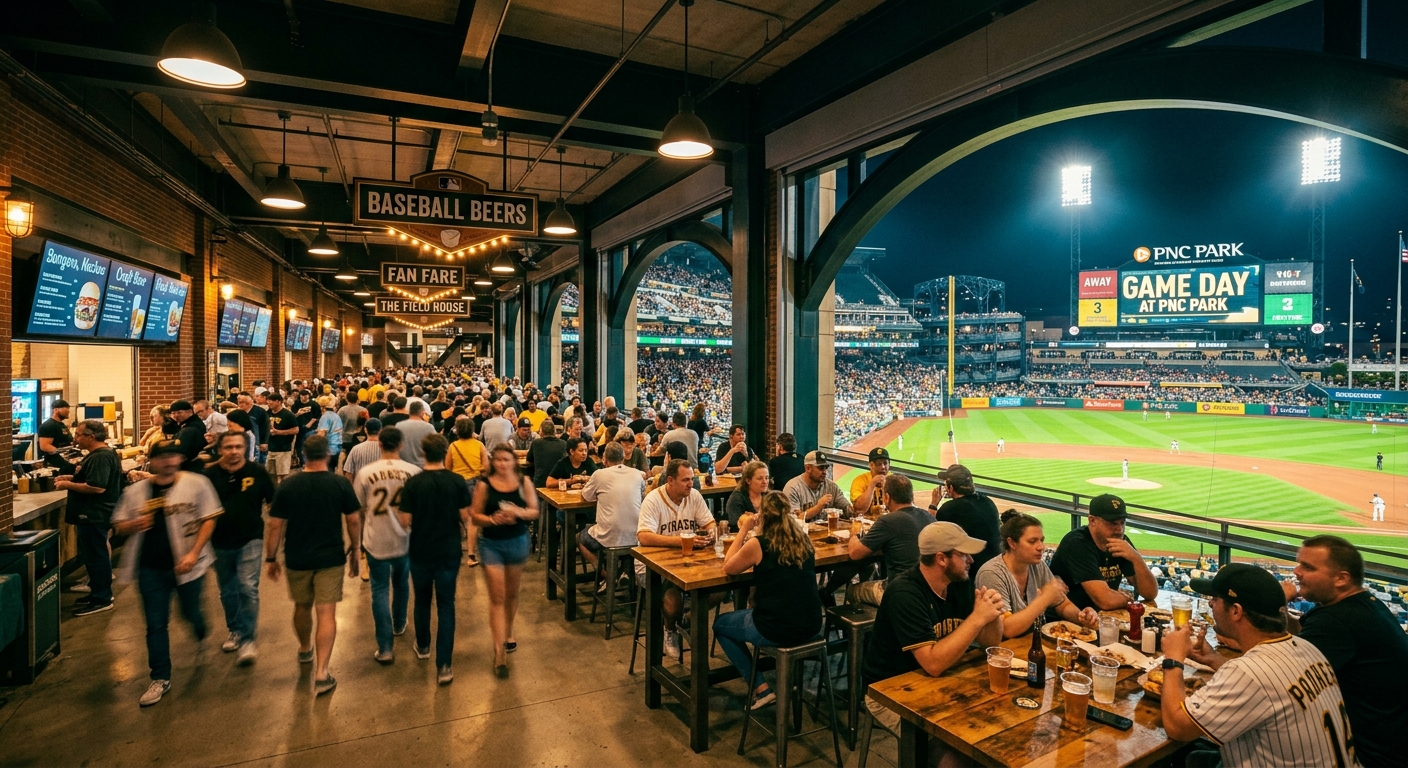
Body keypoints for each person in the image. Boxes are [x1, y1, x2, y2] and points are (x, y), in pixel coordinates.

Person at [1160, 564, 1354, 768]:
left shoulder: (1248, 673)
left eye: (1215, 599)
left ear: (1236, 611)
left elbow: (1177, 728)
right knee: (1195, 757)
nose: (1210, 603)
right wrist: (1213, 659)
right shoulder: (1308, 647)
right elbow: (1269, 685)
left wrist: (1173, 658)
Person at [860, 522, 1005, 734]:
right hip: (890, 692)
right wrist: (977, 618)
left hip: (941, 681)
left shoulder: (960, 583)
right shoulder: (905, 593)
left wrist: (991, 615)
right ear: (941, 559)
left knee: (993, 722)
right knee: (955, 738)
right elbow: (933, 665)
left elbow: (990, 643)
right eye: (963, 554)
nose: (971, 560)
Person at [110, 439, 223, 707]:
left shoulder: (197, 483)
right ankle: (160, 676)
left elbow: (209, 518)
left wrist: (194, 553)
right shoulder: (136, 492)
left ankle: (200, 628)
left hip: (188, 565)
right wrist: (134, 524)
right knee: (155, 624)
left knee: (190, 612)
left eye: (174, 456)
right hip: (150, 568)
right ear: (152, 461)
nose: (170, 461)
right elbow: (119, 525)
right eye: (163, 457)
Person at [1286, 535, 1408, 767]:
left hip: (1369, 758)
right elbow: (1301, 635)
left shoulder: (1338, 621)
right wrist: (1280, 610)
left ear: (1341, 579)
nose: (1296, 571)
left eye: (1308, 567)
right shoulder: (1363, 604)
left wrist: (1273, 602)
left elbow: (1274, 676)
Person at [264, 435, 362, 696]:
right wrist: (355, 549)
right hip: (330, 556)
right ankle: (322, 673)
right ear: (328, 455)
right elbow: (353, 519)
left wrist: (271, 558)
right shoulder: (339, 483)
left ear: (304, 455)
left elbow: (275, 524)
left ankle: (305, 647)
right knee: (326, 612)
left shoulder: (288, 485)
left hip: (297, 556)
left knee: (302, 605)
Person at [715, 490, 824, 711]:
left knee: (720, 625)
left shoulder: (759, 543)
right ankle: (788, 678)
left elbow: (729, 567)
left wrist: (744, 529)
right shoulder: (803, 540)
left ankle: (761, 688)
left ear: (763, 515)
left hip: (776, 628)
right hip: (812, 624)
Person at [397, 434, 471, 684]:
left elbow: (404, 520)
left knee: (422, 599)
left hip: (420, 549)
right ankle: (445, 666)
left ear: (423, 453)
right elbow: (466, 516)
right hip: (448, 550)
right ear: (445, 453)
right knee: (446, 604)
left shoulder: (413, 483)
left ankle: (423, 645)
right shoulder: (456, 481)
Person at [205, 431, 275, 665]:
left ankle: (247, 639)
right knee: (228, 590)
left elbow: (273, 501)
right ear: (220, 450)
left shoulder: (258, 472)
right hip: (219, 541)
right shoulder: (209, 476)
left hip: (250, 538)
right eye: (228, 447)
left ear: (245, 448)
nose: (234, 451)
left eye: (238, 447)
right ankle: (235, 629)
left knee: (247, 587)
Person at [637, 459, 717, 660]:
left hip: (687, 563)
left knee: (719, 589)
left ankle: (687, 618)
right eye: (685, 480)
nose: (691, 484)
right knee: (674, 596)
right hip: (651, 567)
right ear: (671, 480)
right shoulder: (653, 500)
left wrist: (711, 533)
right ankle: (670, 629)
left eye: (692, 479)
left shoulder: (694, 496)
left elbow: (710, 523)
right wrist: (682, 541)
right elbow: (644, 537)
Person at [469, 444, 539, 677]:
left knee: (512, 593)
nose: (502, 464)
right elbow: (475, 516)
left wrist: (517, 513)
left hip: (517, 541)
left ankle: (508, 631)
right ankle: (499, 653)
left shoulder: (523, 482)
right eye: (497, 459)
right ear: (492, 462)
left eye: (506, 459)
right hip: (491, 544)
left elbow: (534, 510)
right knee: (497, 597)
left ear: (513, 462)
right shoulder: (484, 484)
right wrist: (493, 520)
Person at [353, 427, 420, 664]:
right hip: (405, 539)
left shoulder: (365, 473)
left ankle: (385, 648)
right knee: (402, 582)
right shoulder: (413, 472)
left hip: (376, 539)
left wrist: (357, 542)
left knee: (379, 590)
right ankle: (399, 623)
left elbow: (358, 508)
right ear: (401, 445)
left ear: (380, 444)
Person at [974, 511, 1099, 637]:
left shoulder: (1037, 565)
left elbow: (1063, 604)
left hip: (1033, 641)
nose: (1041, 547)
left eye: (1041, 540)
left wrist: (1082, 618)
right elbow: (1006, 629)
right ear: (1012, 543)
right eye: (1032, 541)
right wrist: (1044, 599)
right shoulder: (992, 573)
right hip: (1005, 647)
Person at [1048, 493, 1158, 610]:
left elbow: (1150, 593)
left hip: (1102, 615)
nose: (1119, 529)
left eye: (1122, 522)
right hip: (1069, 617)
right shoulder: (1077, 543)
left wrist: (1136, 558)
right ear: (1092, 520)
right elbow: (1105, 601)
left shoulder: (1120, 542)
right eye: (1112, 523)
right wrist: (1128, 600)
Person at [60, 420, 123, 616]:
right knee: (94, 555)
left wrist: (67, 485)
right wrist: (72, 478)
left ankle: (102, 598)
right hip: (92, 514)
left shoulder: (100, 456)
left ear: (91, 436)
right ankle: (97, 593)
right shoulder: (100, 455)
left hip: (94, 513)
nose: (75, 438)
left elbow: (97, 487)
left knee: (97, 556)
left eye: (78, 435)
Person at [843, 474, 934, 606]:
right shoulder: (929, 517)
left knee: (853, 591)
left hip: (899, 591)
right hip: (929, 589)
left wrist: (854, 534)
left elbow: (854, 553)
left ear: (887, 497)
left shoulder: (887, 521)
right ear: (911, 495)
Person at [579, 442, 647, 581]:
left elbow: (586, 496)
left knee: (580, 538)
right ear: (623, 458)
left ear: (605, 459)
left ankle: (606, 574)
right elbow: (642, 495)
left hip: (610, 537)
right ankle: (624, 572)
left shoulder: (599, 474)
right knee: (625, 535)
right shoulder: (636, 474)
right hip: (637, 535)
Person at [929, 464, 1002, 572]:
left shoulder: (950, 508)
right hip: (996, 565)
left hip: (971, 570)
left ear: (951, 488)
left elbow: (931, 534)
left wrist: (933, 505)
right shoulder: (988, 502)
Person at [446, 416, 486, 567]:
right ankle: (471, 555)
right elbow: (486, 467)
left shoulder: (453, 447)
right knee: (472, 521)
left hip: (457, 484)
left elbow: (447, 468)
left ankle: (454, 552)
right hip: (474, 484)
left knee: (457, 520)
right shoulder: (479, 445)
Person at [782, 451, 851, 521]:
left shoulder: (832, 486)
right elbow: (794, 519)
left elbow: (847, 509)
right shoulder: (793, 488)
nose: (824, 472)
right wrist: (819, 506)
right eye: (821, 468)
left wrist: (853, 509)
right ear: (808, 468)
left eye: (826, 467)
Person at [264, 393, 299, 484]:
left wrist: (279, 432)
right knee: (270, 475)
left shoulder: (288, 415)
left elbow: (295, 430)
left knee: (282, 475)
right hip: (270, 449)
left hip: (283, 449)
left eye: (272, 401)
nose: (269, 402)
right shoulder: (267, 413)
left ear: (279, 402)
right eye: (268, 400)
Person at [724, 460, 770, 527]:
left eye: (767, 478)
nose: (765, 482)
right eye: (760, 478)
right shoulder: (737, 498)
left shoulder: (770, 497)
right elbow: (735, 523)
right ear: (748, 481)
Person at [848, 447, 891, 516]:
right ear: (871, 465)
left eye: (885, 463)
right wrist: (872, 485)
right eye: (878, 464)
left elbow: (899, 507)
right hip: (866, 520)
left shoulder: (893, 480)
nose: (883, 467)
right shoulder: (859, 481)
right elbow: (860, 509)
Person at [396, 400, 438, 468]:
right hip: (422, 466)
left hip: (403, 465)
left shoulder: (399, 425)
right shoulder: (429, 427)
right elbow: (436, 445)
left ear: (409, 412)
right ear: (422, 413)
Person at [527, 420, 568, 489]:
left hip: (540, 484)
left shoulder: (536, 443)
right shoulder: (563, 443)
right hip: (558, 483)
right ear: (554, 431)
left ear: (541, 432)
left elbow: (529, 459)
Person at [169, 400, 208, 472]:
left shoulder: (189, 430)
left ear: (190, 411)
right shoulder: (191, 423)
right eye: (173, 413)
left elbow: (181, 451)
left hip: (190, 468)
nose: (176, 415)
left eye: (179, 412)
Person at [38, 398, 75, 472]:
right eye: (66, 409)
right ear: (56, 410)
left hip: (66, 461)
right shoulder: (48, 425)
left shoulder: (62, 425)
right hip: (55, 464)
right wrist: (63, 455)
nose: (68, 412)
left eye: (68, 409)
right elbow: (44, 446)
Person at [341, 418, 383, 484]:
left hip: (359, 486)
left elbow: (349, 473)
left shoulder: (356, 449)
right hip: (379, 487)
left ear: (365, 430)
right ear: (380, 430)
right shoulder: (385, 450)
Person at [315, 396, 343, 470]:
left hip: (329, 448)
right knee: (332, 469)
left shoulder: (325, 417)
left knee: (326, 470)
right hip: (337, 446)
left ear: (322, 407)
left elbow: (321, 434)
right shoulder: (336, 415)